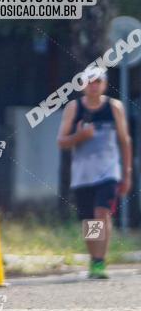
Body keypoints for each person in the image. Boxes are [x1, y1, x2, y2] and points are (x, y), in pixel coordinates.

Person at [57, 69, 132, 279]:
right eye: (89, 82)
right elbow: (61, 142)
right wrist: (80, 136)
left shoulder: (114, 107)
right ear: (82, 85)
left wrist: (127, 173)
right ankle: (94, 259)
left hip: (109, 171)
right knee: (90, 220)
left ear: (104, 85)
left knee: (102, 213)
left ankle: (100, 261)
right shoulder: (74, 108)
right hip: (83, 174)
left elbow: (125, 141)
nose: (93, 86)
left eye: (97, 82)